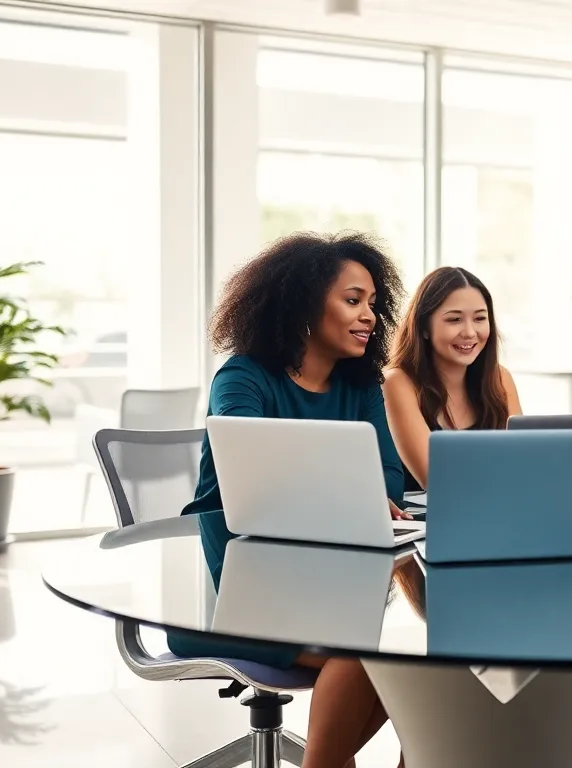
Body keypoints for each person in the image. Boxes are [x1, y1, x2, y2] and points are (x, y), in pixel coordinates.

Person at [173, 231, 411, 768]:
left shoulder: (361, 385)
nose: (369, 315)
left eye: (372, 302)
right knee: (365, 655)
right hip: (232, 585)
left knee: (406, 658)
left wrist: (364, 493)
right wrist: (354, 493)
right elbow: (251, 467)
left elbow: (389, 481)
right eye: (353, 300)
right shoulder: (243, 376)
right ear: (304, 306)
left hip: (325, 581)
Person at [384, 266, 523, 490]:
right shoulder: (398, 382)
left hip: (495, 513)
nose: (469, 332)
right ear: (425, 328)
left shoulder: (499, 378)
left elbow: (523, 466)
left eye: (479, 318)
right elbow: (436, 478)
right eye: (454, 320)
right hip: (429, 521)